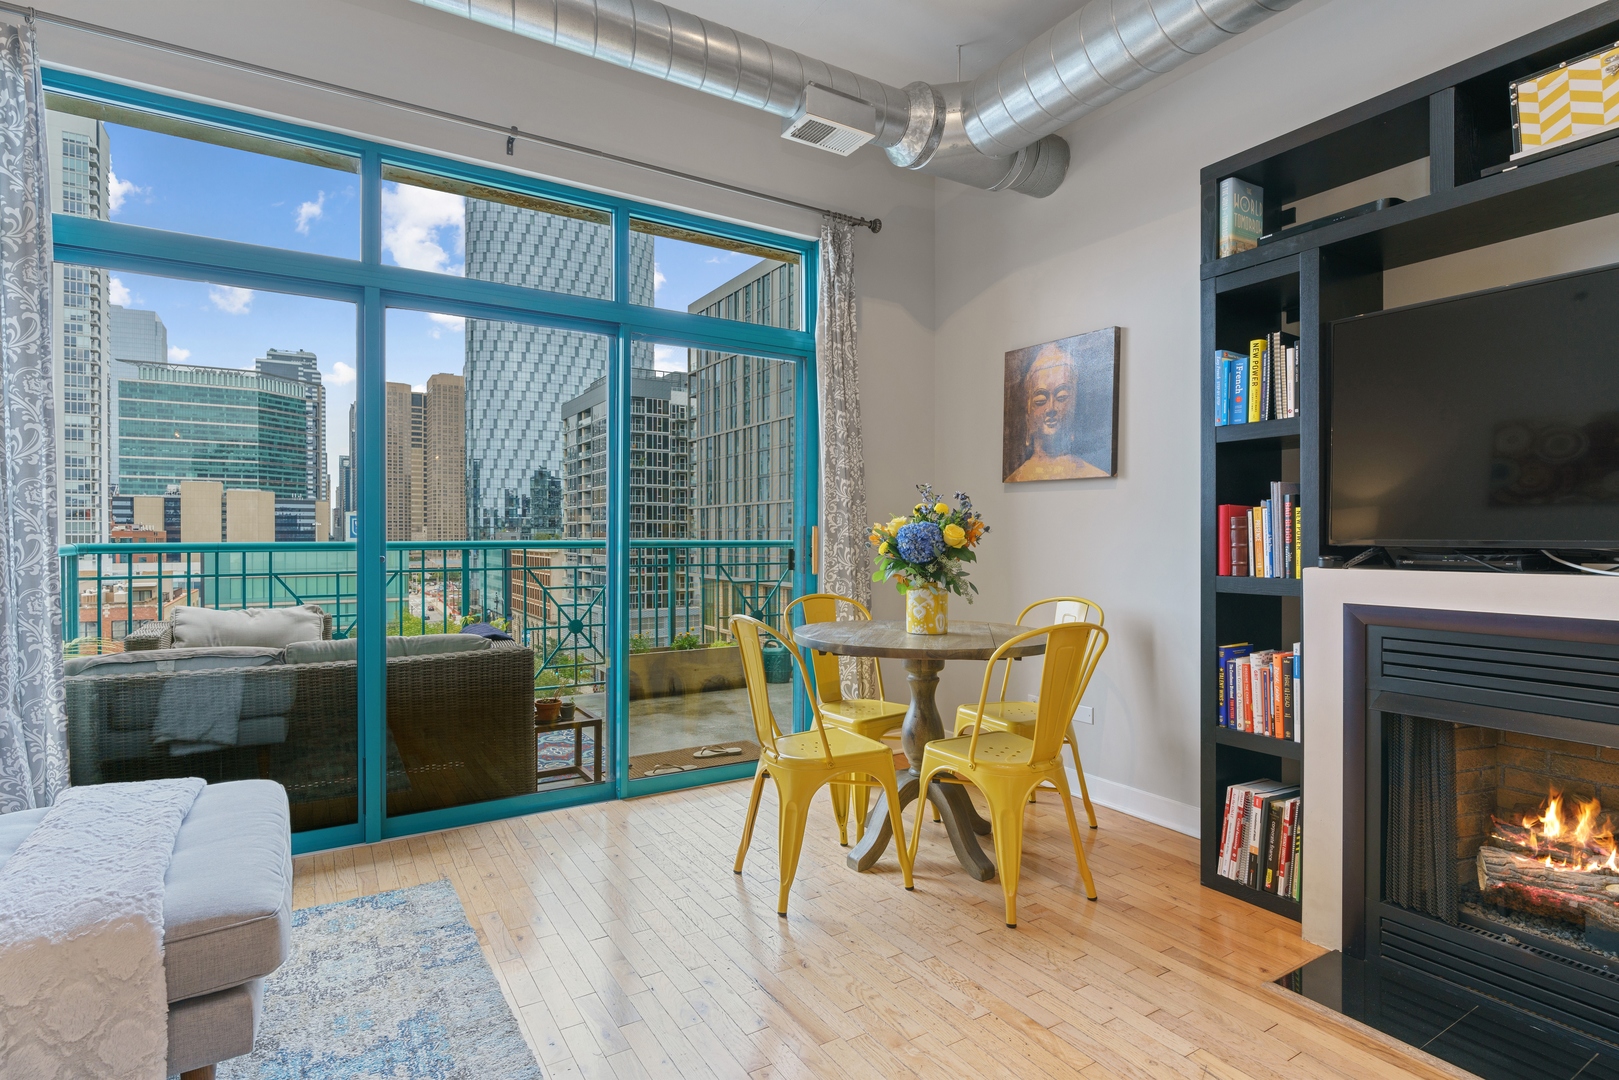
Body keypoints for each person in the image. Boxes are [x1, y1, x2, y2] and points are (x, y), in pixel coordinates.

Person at [1005, 343, 1106, 481]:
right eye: (1040, 400)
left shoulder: (1096, 475)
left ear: (1074, 406)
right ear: (1028, 414)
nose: (1051, 408)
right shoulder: (1015, 479)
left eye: (1062, 397)